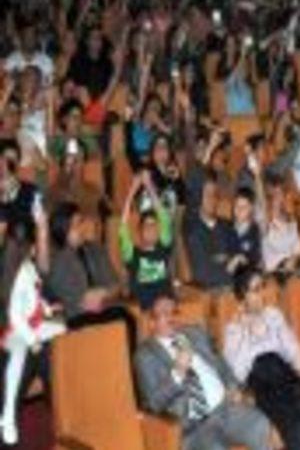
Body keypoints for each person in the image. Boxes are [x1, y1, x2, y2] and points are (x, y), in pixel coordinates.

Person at [134, 293, 273, 450]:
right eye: (165, 313)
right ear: (151, 322)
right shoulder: (145, 356)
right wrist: (177, 373)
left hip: (225, 408)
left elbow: (221, 364)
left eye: (174, 312)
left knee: (259, 423)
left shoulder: (195, 333)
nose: (171, 317)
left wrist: (233, 386)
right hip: (195, 427)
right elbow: (153, 403)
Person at [223, 268, 300, 450]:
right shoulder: (234, 329)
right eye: (255, 289)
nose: (262, 293)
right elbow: (237, 372)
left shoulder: (273, 315)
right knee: (296, 427)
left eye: (263, 286)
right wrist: (245, 331)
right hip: (262, 383)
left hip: (286, 374)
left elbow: (293, 348)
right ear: (243, 296)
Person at [0, 205, 64, 445]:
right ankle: (7, 417)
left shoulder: (25, 266)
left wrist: (47, 309)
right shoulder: (14, 262)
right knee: (21, 358)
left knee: (61, 342)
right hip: (14, 331)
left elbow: (36, 292)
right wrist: (31, 339)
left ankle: (68, 413)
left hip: (28, 326)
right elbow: (15, 312)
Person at [46, 203, 137, 345]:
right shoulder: (58, 260)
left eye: (81, 222)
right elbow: (69, 296)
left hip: (105, 307)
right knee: (116, 320)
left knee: (125, 317)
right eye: (76, 225)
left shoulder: (96, 250)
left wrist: (104, 293)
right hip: (77, 316)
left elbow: (115, 284)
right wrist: (87, 298)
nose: (82, 228)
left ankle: (126, 359)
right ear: (63, 230)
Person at [119, 171, 176, 309]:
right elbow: (122, 228)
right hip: (146, 309)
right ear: (140, 231)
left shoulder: (164, 246)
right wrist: (132, 190)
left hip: (167, 305)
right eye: (147, 225)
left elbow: (164, 217)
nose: (151, 229)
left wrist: (149, 185)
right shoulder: (132, 254)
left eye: (154, 225)